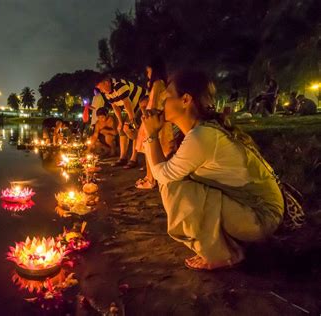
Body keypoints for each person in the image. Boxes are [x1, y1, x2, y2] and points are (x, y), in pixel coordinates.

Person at [142, 69, 284, 271]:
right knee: (179, 182)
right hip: (250, 209)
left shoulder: (202, 136)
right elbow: (167, 168)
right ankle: (228, 243)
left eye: (166, 97)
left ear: (186, 100)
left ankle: (224, 254)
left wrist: (150, 136)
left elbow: (162, 175)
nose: (161, 104)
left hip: (261, 216)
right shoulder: (198, 132)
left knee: (173, 187)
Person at [134, 59, 179, 189]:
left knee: (150, 149)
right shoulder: (162, 83)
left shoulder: (157, 84)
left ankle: (151, 179)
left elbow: (152, 104)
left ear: (154, 71)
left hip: (153, 119)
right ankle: (151, 177)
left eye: (148, 71)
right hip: (160, 118)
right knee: (155, 149)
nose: (147, 74)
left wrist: (144, 113)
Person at [95, 74, 146, 168]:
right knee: (121, 129)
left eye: (100, 88)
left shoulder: (119, 85)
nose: (101, 91)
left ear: (106, 83)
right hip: (129, 108)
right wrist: (120, 122)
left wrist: (132, 120)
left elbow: (127, 102)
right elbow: (115, 106)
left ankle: (134, 159)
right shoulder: (107, 93)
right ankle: (123, 157)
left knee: (131, 129)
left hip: (141, 104)